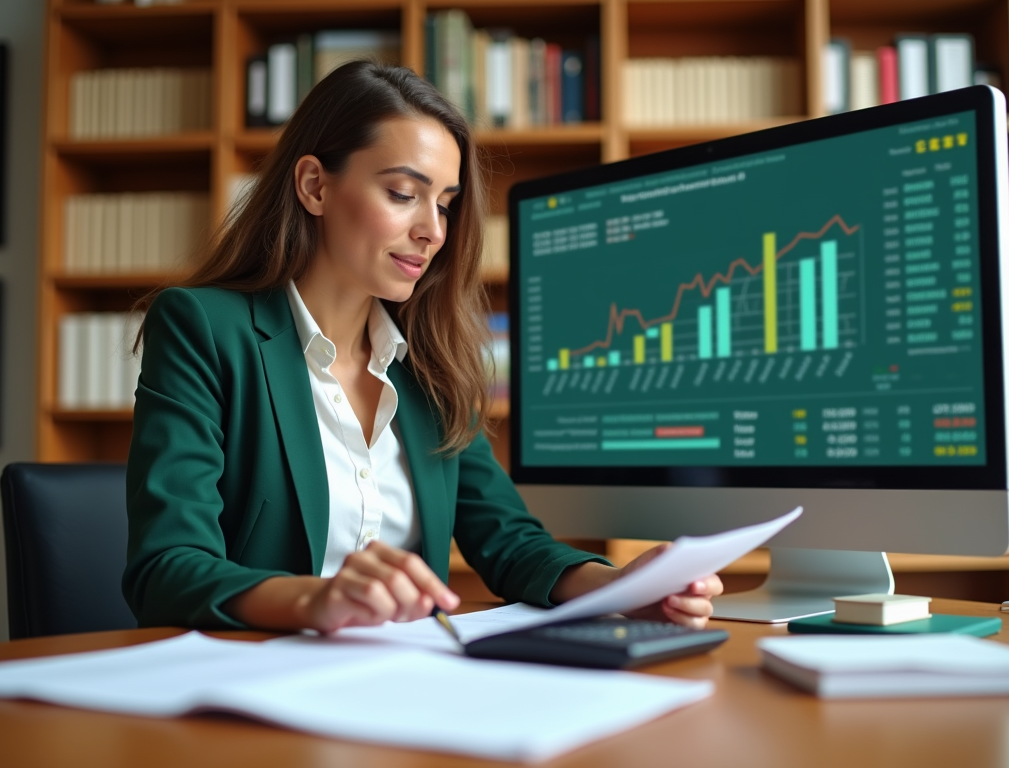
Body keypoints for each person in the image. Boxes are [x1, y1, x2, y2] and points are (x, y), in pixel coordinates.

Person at [123, 61, 723, 633]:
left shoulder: (430, 363)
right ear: (314, 186)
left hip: (407, 685)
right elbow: (166, 568)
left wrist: (623, 588)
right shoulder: (204, 326)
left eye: (445, 203)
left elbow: (510, 542)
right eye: (404, 194)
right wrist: (318, 599)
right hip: (256, 684)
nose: (433, 231)